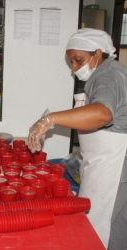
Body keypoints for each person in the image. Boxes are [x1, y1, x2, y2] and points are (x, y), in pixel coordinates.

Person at [28, 28, 127, 250]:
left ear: (98, 54)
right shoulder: (103, 74)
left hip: (117, 167)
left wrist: (50, 119)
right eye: (71, 61)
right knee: (112, 227)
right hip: (104, 162)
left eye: (78, 60)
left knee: (105, 229)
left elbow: (102, 114)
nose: (74, 67)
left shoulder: (109, 76)